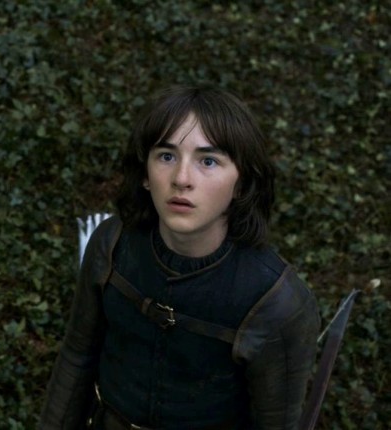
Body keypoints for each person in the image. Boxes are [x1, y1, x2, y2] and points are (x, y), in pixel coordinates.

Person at [39, 85, 320, 430]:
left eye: (208, 161)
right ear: (145, 175)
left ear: (242, 184)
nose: (182, 179)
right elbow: (76, 359)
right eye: (166, 156)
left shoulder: (276, 302)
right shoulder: (111, 243)